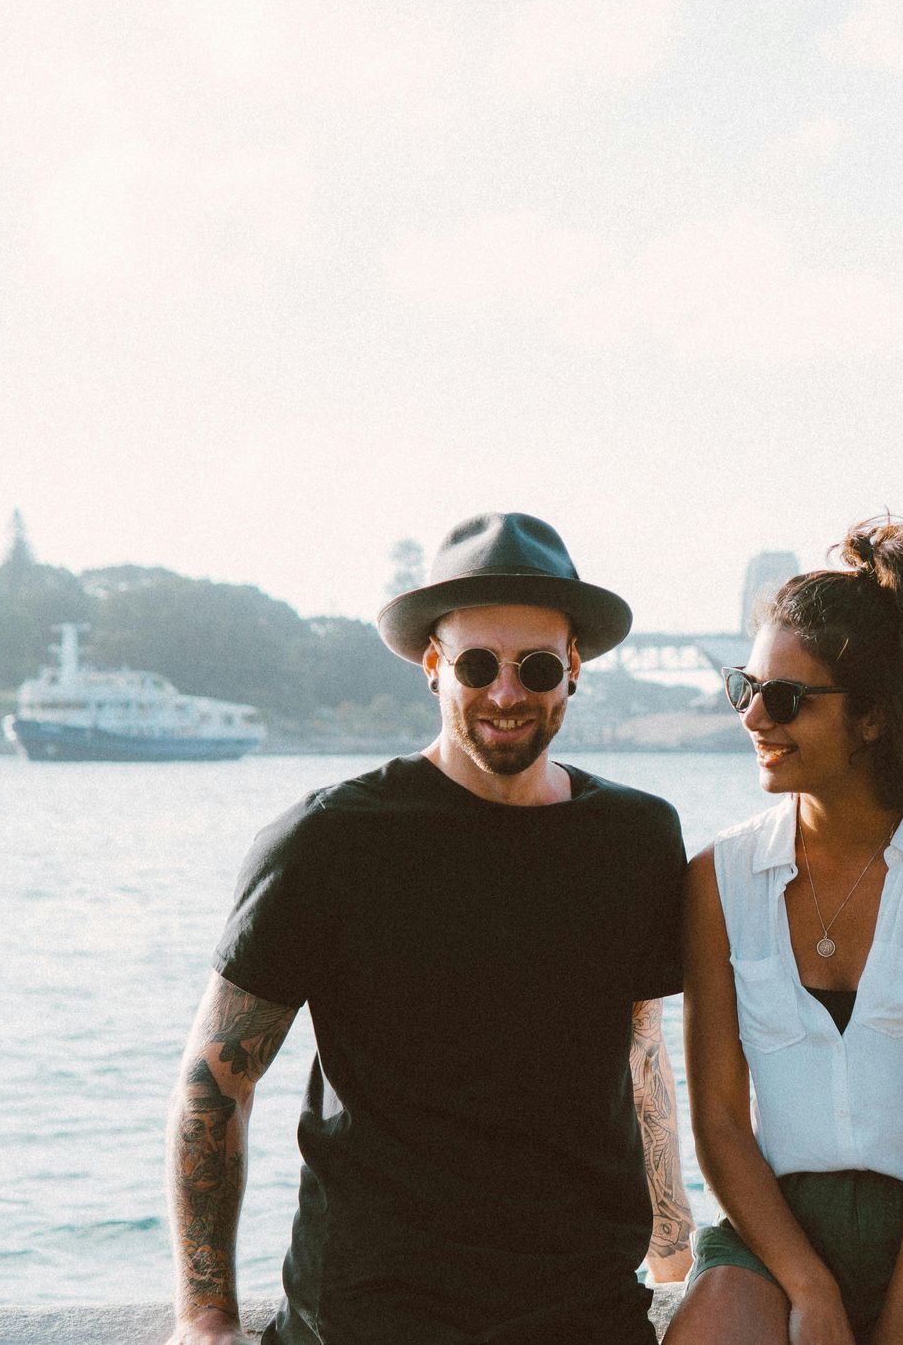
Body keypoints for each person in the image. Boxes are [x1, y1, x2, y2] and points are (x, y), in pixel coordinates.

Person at [163, 512, 693, 1345]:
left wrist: (673, 1241)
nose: (508, 691)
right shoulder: (327, 841)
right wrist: (204, 1317)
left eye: (539, 665)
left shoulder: (637, 837)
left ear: (575, 669)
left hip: (582, 1314)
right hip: (370, 1318)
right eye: (478, 663)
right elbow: (213, 1083)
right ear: (434, 665)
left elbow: (641, 1046)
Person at [669, 516, 903, 1345]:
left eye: (787, 698)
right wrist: (810, 1287)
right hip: (777, 1234)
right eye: (745, 687)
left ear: (871, 716)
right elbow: (721, 1123)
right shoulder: (717, 882)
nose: (756, 716)